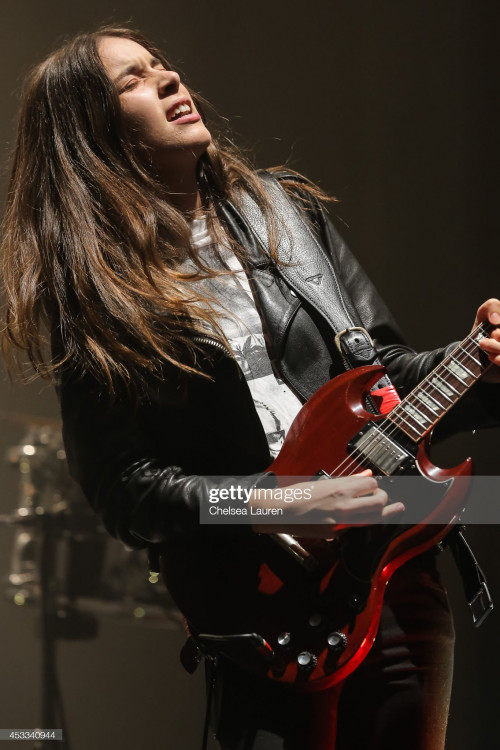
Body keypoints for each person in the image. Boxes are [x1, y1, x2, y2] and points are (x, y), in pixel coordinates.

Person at [2, 26, 500, 750]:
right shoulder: (94, 297)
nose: (169, 79)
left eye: (162, 65)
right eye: (132, 81)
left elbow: (385, 378)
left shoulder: (287, 215)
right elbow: (127, 491)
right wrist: (276, 501)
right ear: (90, 135)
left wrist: (480, 364)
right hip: (261, 606)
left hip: (393, 562)